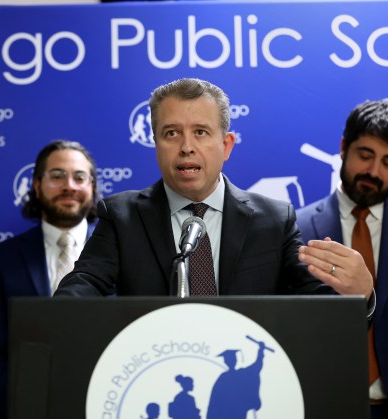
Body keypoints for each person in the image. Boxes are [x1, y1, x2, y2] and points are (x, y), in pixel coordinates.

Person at [54, 77, 372, 309]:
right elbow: (83, 286)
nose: (186, 147)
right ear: (156, 144)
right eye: (171, 133)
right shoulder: (122, 216)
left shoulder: (275, 220)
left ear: (226, 145)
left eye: (201, 132)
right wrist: (54, 314)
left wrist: (361, 295)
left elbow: (318, 309)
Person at [0, 140, 99, 418]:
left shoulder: (118, 252)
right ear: (37, 185)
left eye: (79, 177)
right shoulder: (2, 259)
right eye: (57, 176)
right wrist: (24, 404)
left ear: (92, 187)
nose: (69, 185)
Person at [296, 99, 388, 418]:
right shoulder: (295, 228)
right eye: (365, 155)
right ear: (343, 148)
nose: (374, 172)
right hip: (324, 406)